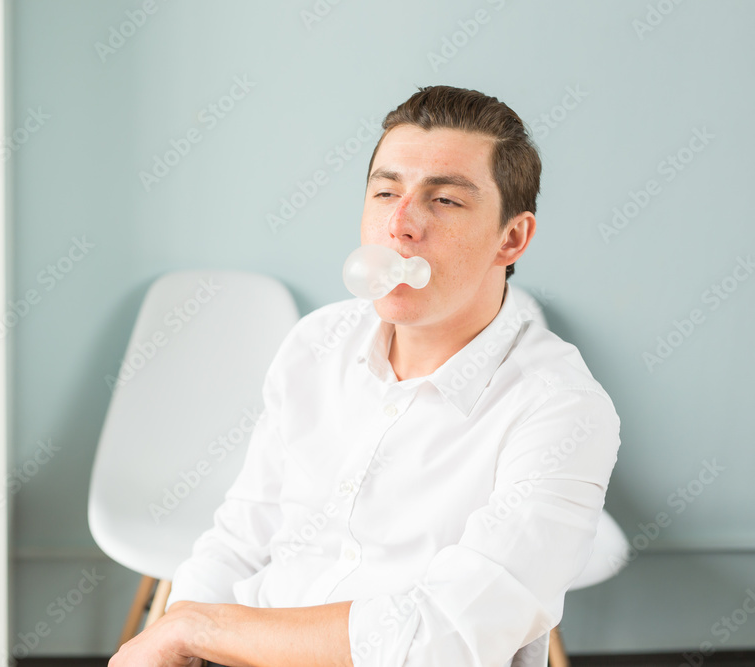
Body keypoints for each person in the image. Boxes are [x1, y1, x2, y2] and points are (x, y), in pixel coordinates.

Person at [108, 85, 622, 667]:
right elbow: (242, 537)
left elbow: (449, 637)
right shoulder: (317, 343)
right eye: (385, 192)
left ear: (512, 238)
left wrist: (197, 630)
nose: (400, 225)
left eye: (445, 200)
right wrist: (179, 636)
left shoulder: (563, 407)